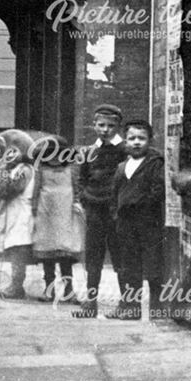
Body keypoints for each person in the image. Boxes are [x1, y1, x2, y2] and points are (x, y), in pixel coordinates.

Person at [108, 119, 165, 320]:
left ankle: (158, 309)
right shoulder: (122, 167)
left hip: (148, 222)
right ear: (125, 141)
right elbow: (114, 194)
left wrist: (140, 205)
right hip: (125, 224)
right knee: (128, 267)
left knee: (153, 267)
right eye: (132, 138)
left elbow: (158, 191)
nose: (136, 142)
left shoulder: (154, 164)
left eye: (142, 138)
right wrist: (116, 214)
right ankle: (130, 308)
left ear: (150, 140)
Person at [76, 105, 126, 318]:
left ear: (118, 126)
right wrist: (85, 197)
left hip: (115, 211)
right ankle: (91, 300)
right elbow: (82, 178)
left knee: (120, 256)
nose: (105, 129)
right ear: (94, 125)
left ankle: (126, 302)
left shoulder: (124, 150)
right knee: (93, 256)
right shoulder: (89, 151)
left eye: (111, 126)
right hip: (95, 210)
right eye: (101, 125)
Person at [31, 134, 83, 302]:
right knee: (48, 255)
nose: (55, 159)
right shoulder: (41, 170)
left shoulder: (72, 169)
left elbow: (76, 189)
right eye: (50, 155)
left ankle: (69, 291)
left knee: (66, 255)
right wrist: (33, 211)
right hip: (46, 214)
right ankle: (49, 290)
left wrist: (77, 205)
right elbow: (36, 191)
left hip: (66, 215)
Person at [0, 130, 36, 300]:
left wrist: (3, 185)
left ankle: (17, 285)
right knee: (14, 247)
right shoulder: (16, 168)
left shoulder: (24, 169)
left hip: (21, 215)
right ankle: (16, 285)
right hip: (15, 214)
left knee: (18, 249)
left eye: (12, 152)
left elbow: (13, 188)